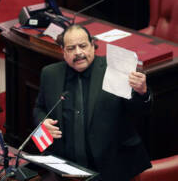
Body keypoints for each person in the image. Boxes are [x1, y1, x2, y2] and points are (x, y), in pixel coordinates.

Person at [33, 24, 152, 181]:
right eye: (71, 48)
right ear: (63, 51)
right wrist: (43, 121)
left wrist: (142, 92)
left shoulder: (114, 69)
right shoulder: (50, 74)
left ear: (93, 45)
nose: (78, 53)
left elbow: (139, 111)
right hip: (66, 170)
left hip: (111, 169)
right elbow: (39, 108)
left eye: (83, 46)